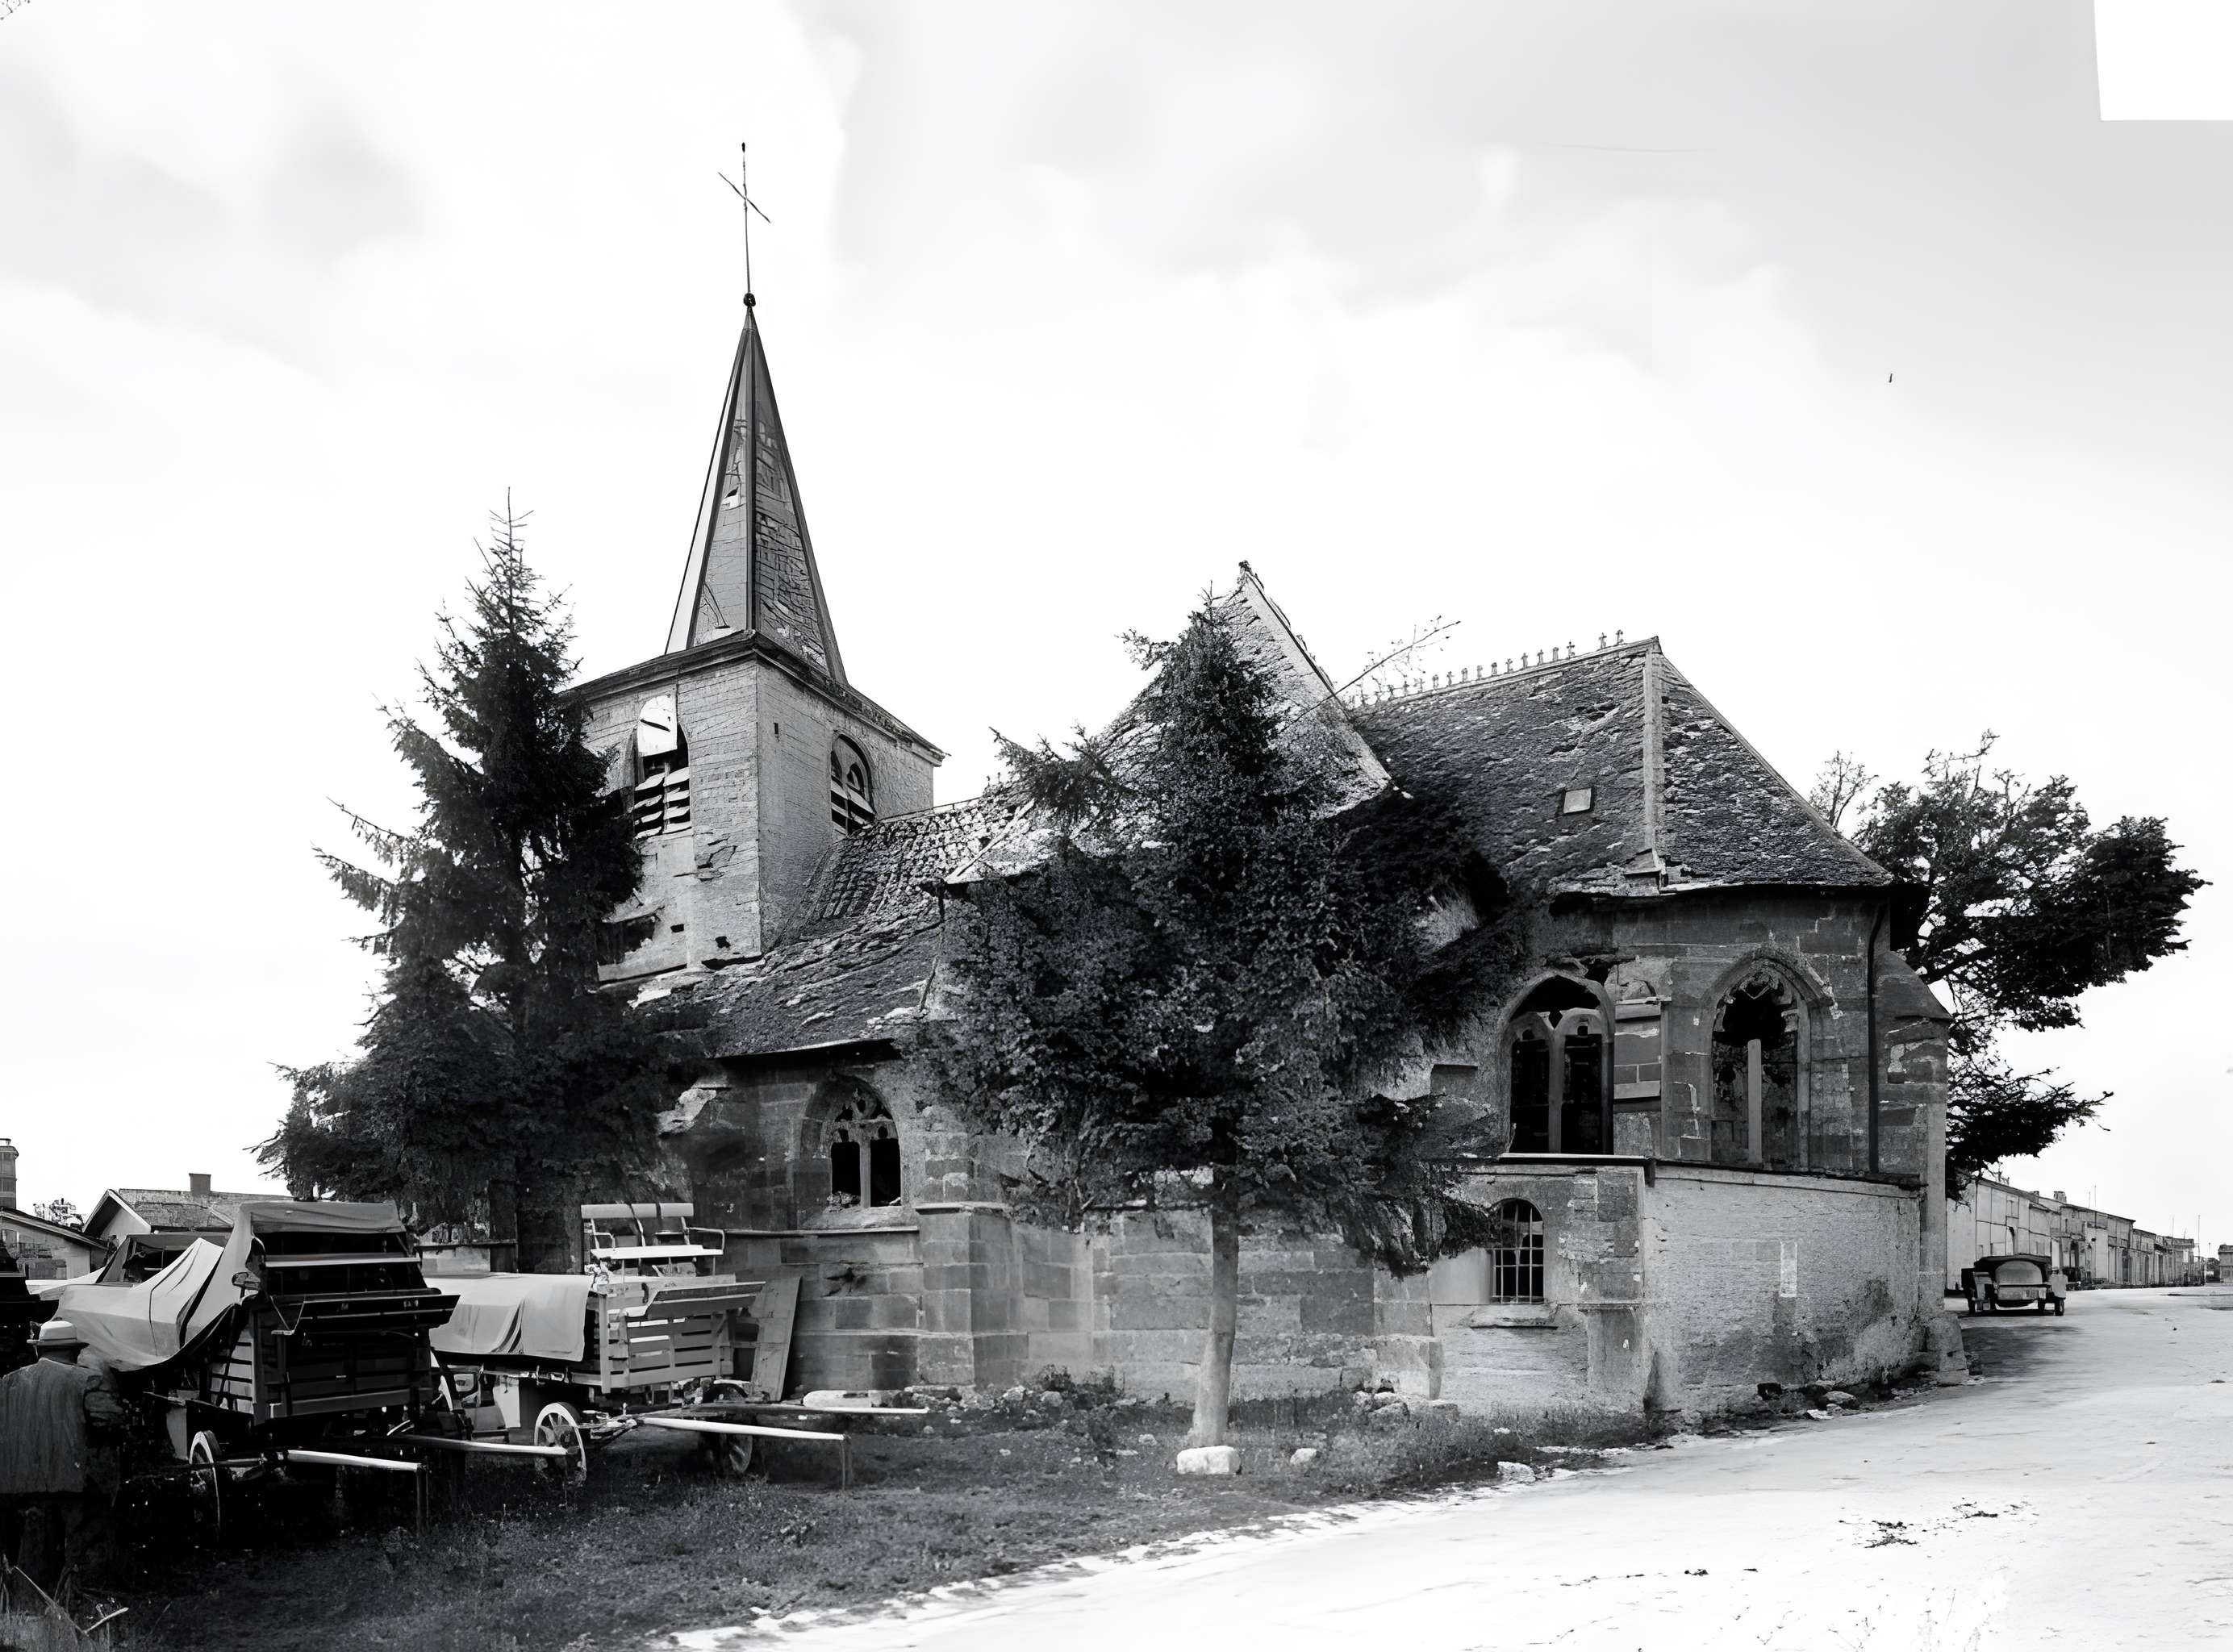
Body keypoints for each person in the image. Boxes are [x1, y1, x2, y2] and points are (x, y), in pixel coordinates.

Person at [0, 1318, 126, 1592]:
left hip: (19, 1487)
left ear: (39, 1350)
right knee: (85, 1549)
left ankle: (30, 1609)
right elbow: (112, 1422)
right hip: (75, 1483)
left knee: (36, 1550)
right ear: (75, 1352)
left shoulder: (7, 1384)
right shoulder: (87, 1380)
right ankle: (82, 1606)